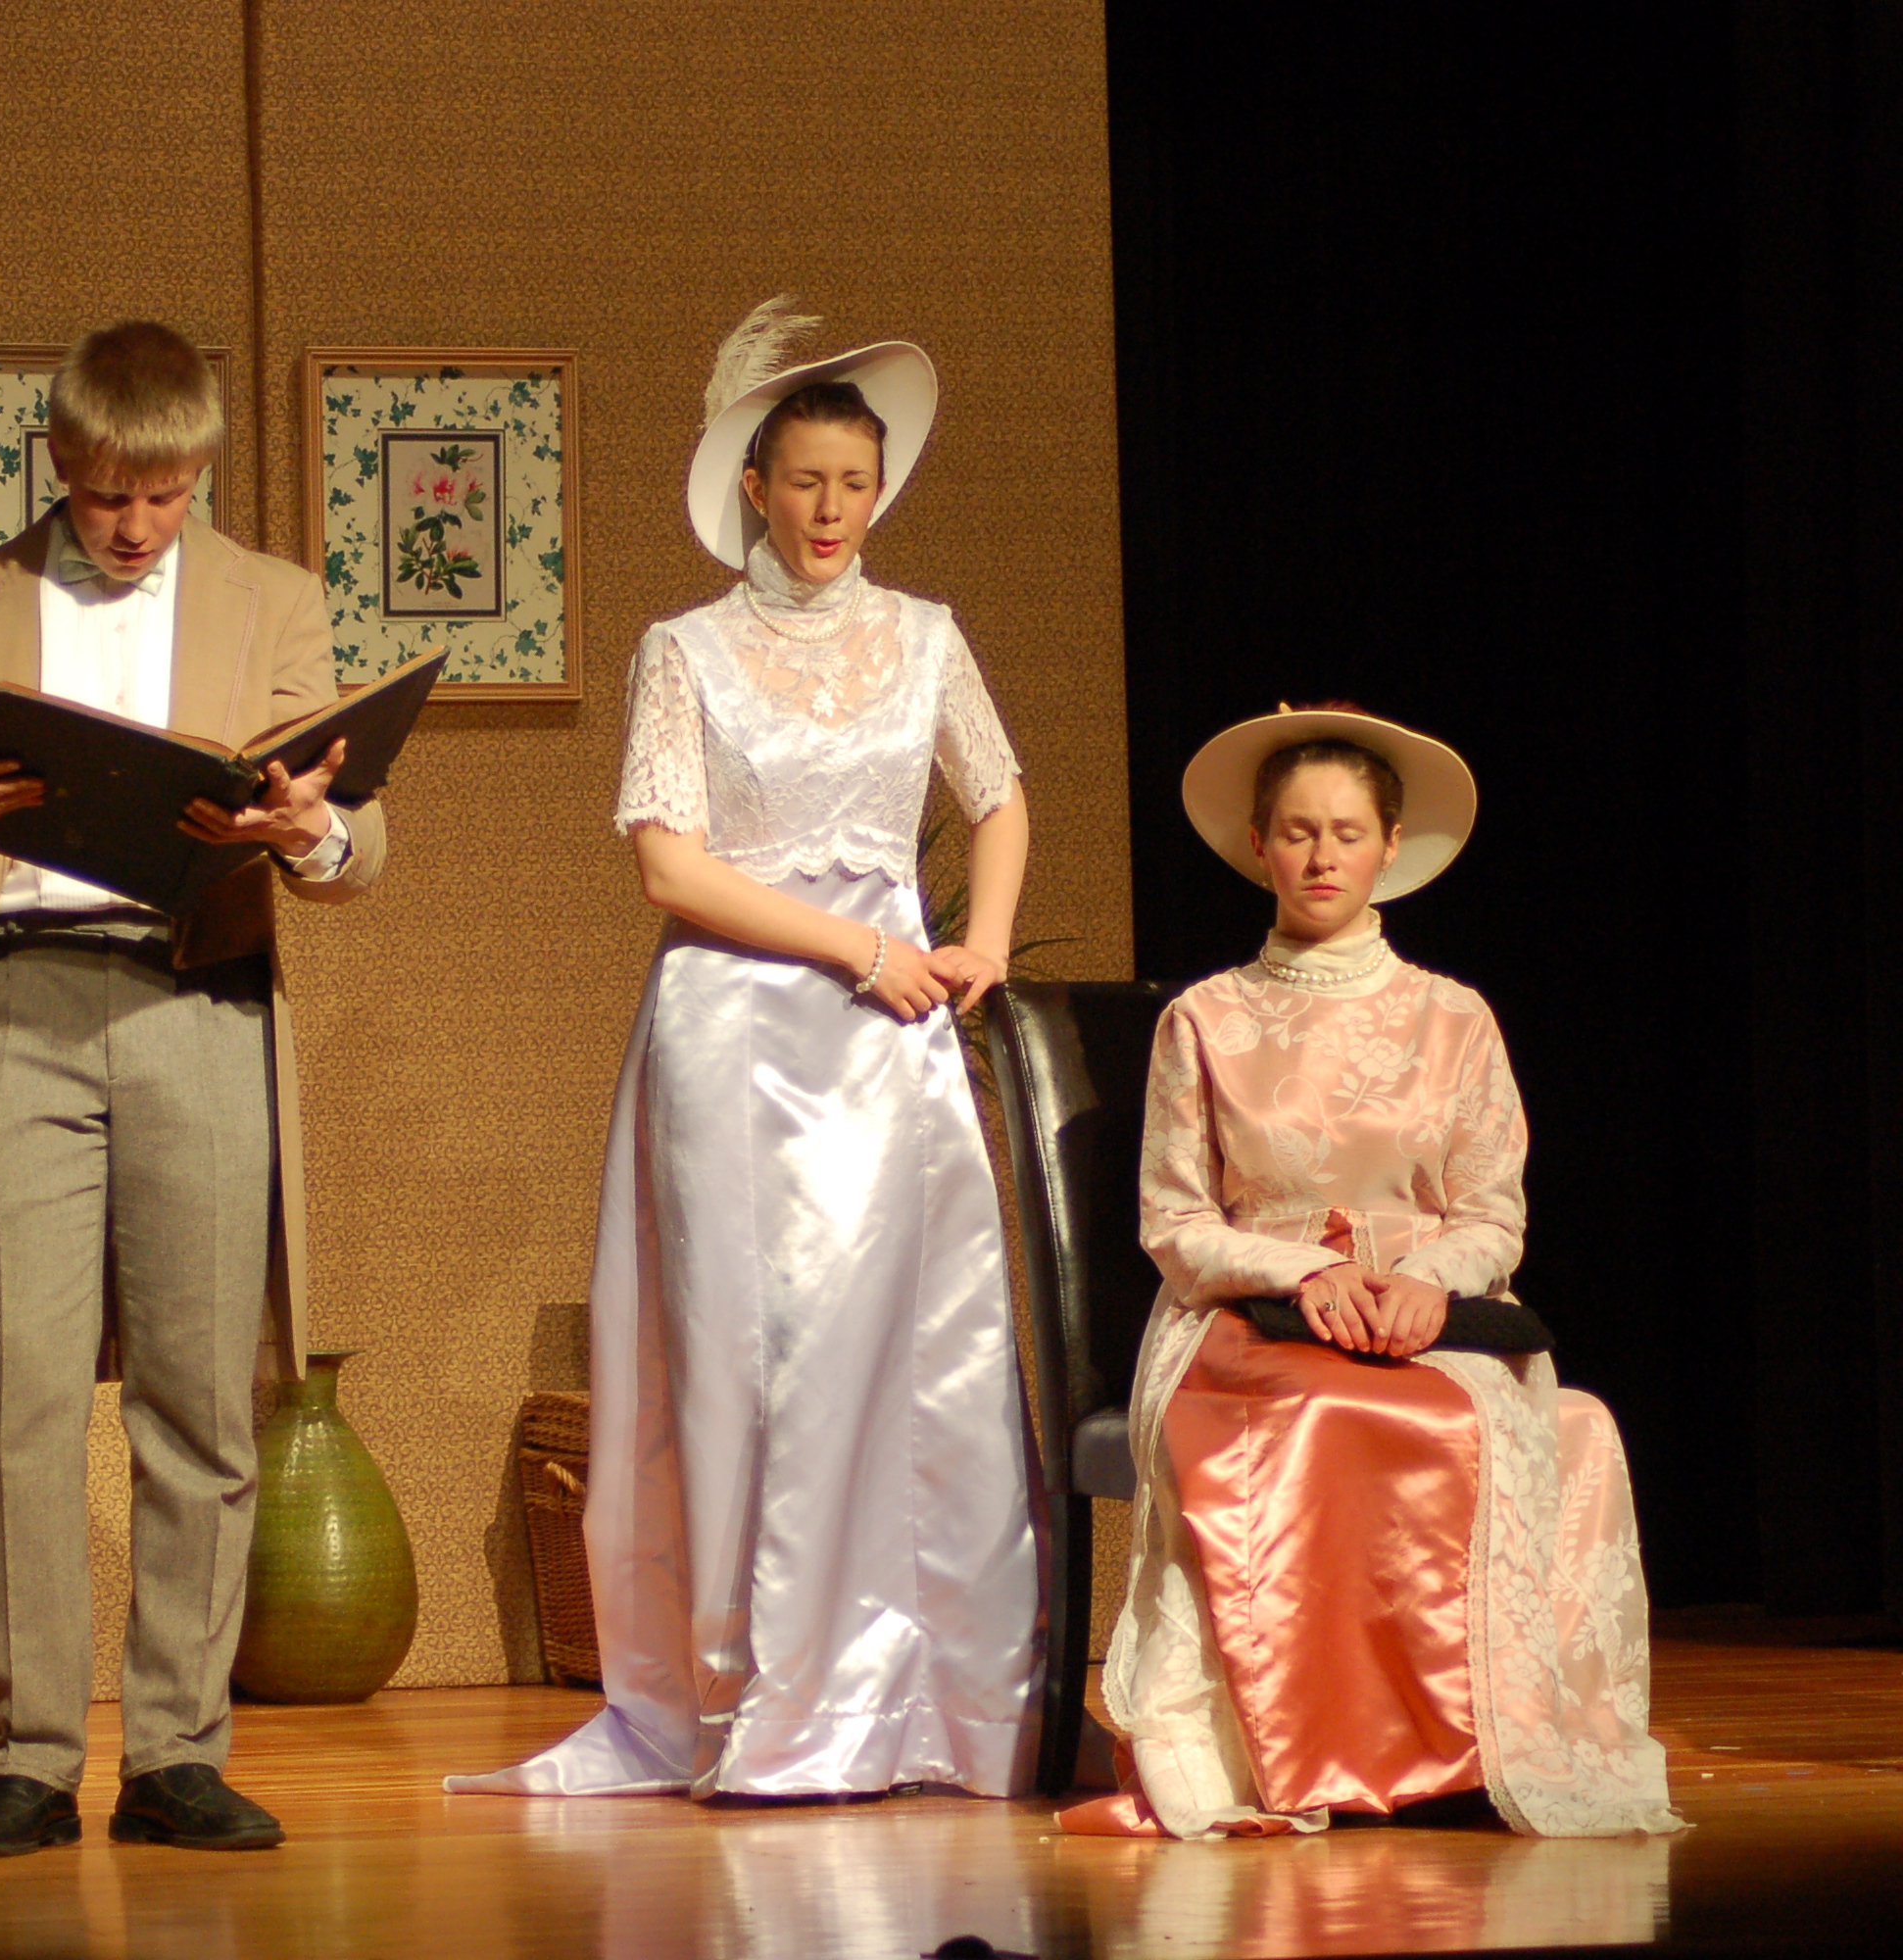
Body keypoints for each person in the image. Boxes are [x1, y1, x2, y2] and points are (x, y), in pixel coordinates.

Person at [452, 299, 1041, 1801]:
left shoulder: (926, 637)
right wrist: (859, 946)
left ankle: (914, 1700)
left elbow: (1000, 797)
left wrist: (980, 941)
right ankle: (740, 1695)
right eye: (808, 483)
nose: (833, 511)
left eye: (857, 484)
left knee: (902, 1353)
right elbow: (672, 866)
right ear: (756, 488)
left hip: (892, 1036)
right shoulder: (687, 649)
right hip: (738, 1026)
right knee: (736, 1353)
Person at [0, 319, 386, 1856]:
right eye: (104, 498)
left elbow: (357, 841)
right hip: (16, 1001)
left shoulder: (276, 600)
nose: (136, 526)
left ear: (199, 470)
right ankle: (25, 1756)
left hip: (196, 992)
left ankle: (177, 1755)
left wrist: (308, 833)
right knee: (15, 1388)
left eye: (165, 495)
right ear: (59, 465)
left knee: (198, 1394)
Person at [1060, 706, 1683, 1839]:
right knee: (1329, 1412)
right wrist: (1304, 1270)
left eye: (1345, 832)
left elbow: (1491, 1211)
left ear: (1387, 845)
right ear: (1258, 843)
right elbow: (1174, 1219)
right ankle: (1330, 1748)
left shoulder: (1451, 1018)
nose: (1320, 856)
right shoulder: (1204, 1017)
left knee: (1577, 1425)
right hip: (1243, 1313)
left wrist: (1428, 1281)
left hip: (1426, 1313)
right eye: (1297, 831)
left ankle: (1481, 1744)